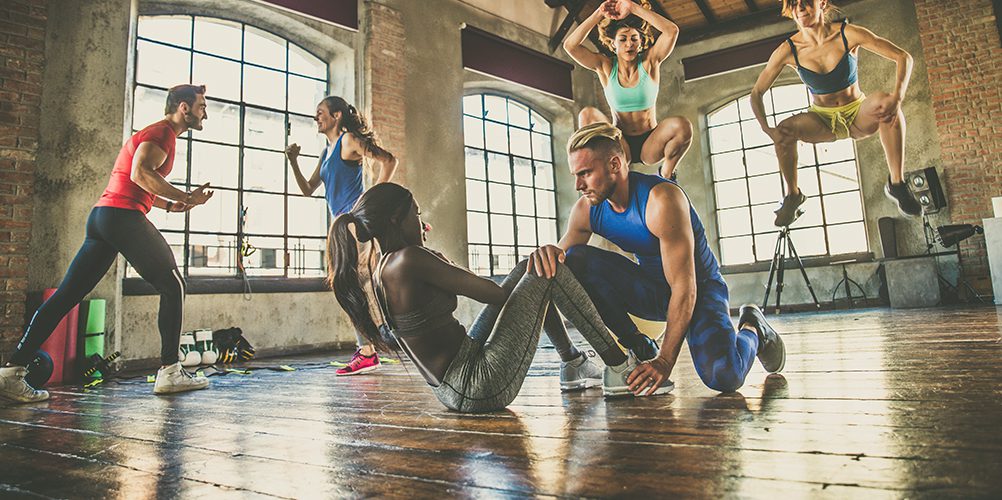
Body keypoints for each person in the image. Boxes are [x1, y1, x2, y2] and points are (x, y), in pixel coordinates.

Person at [327, 183, 649, 413]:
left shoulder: (386, 264)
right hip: (476, 384)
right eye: (417, 214)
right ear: (396, 220)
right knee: (548, 270)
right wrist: (442, 261)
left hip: (458, 378)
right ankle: (618, 365)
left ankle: (573, 364)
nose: (424, 223)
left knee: (532, 266)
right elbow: (493, 294)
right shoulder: (411, 258)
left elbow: (498, 294)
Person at [529, 123, 786, 396]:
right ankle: (637, 347)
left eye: (585, 173)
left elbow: (685, 288)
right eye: (575, 175)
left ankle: (753, 327)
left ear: (615, 164)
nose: (578, 185)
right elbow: (560, 261)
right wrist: (547, 252)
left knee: (724, 376)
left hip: (699, 291)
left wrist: (665, 361)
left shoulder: (662, 199)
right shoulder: (587, 210)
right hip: (654, 290)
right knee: (574, 259)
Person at [0, 84, 215, 402]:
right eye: (202, 106)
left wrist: (170, 206)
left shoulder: (158, 134)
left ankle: (10, 373)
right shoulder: (164, 133)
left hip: (103, 218)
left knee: (66, 296)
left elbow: (137, 181)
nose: (205, 113)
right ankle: (170, 371)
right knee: (173, 285)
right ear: (184, 108)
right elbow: (140, 173)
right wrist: (186, 196)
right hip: (121, 218)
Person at [751, 0, 921, 226]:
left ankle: (897, 184)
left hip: (858, 114)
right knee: (784, 130)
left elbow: (903, 57)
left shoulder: (847, 34)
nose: (801, 9)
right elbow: (756, 93)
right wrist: (766, 129)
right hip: (822, 120)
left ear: (821, 3)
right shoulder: (787, 50)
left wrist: (898, 97)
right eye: (794, 4)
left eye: (806, 2)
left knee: (885, 102)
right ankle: (793, 195)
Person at [285, 96, 397, 376]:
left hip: (354, 223)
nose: (316, 118)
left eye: (320, 113)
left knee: (356, 286)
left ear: (336, 115)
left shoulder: (348, 140)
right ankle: (369, 349)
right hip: (338, 226)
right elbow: (308, 188)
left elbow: (389, 160)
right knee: (348, 288)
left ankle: (373, 347)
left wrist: (371, 203)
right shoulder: (327, 152)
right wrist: (293, 161)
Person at [563, 0, 691, 180]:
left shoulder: (650, 62)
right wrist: (599, 13)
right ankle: (603, 173)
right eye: (622, 39)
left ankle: (667, 173)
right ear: (613, 44)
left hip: (651, 142)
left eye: (634, 39)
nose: (629, 44)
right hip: (619, 143)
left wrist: (632, 8)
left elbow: (672, 31)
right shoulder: (605, 67)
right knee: (586, 115)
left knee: (683, 125)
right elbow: (570, 46)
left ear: (641, 42)